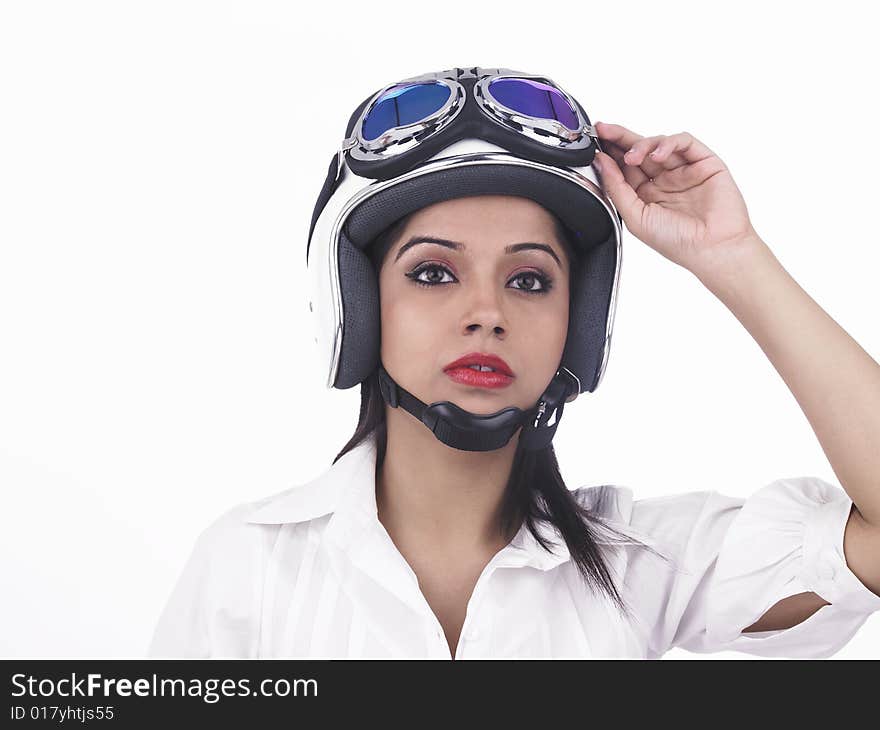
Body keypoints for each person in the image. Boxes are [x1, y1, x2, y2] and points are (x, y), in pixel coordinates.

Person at [148, 66, 880, 659]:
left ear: (577, 323)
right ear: (359, 307)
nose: (488, 312)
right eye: (434, 272)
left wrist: (733, 260)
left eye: (530, 280)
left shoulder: (642, 565)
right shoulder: (246, 567)